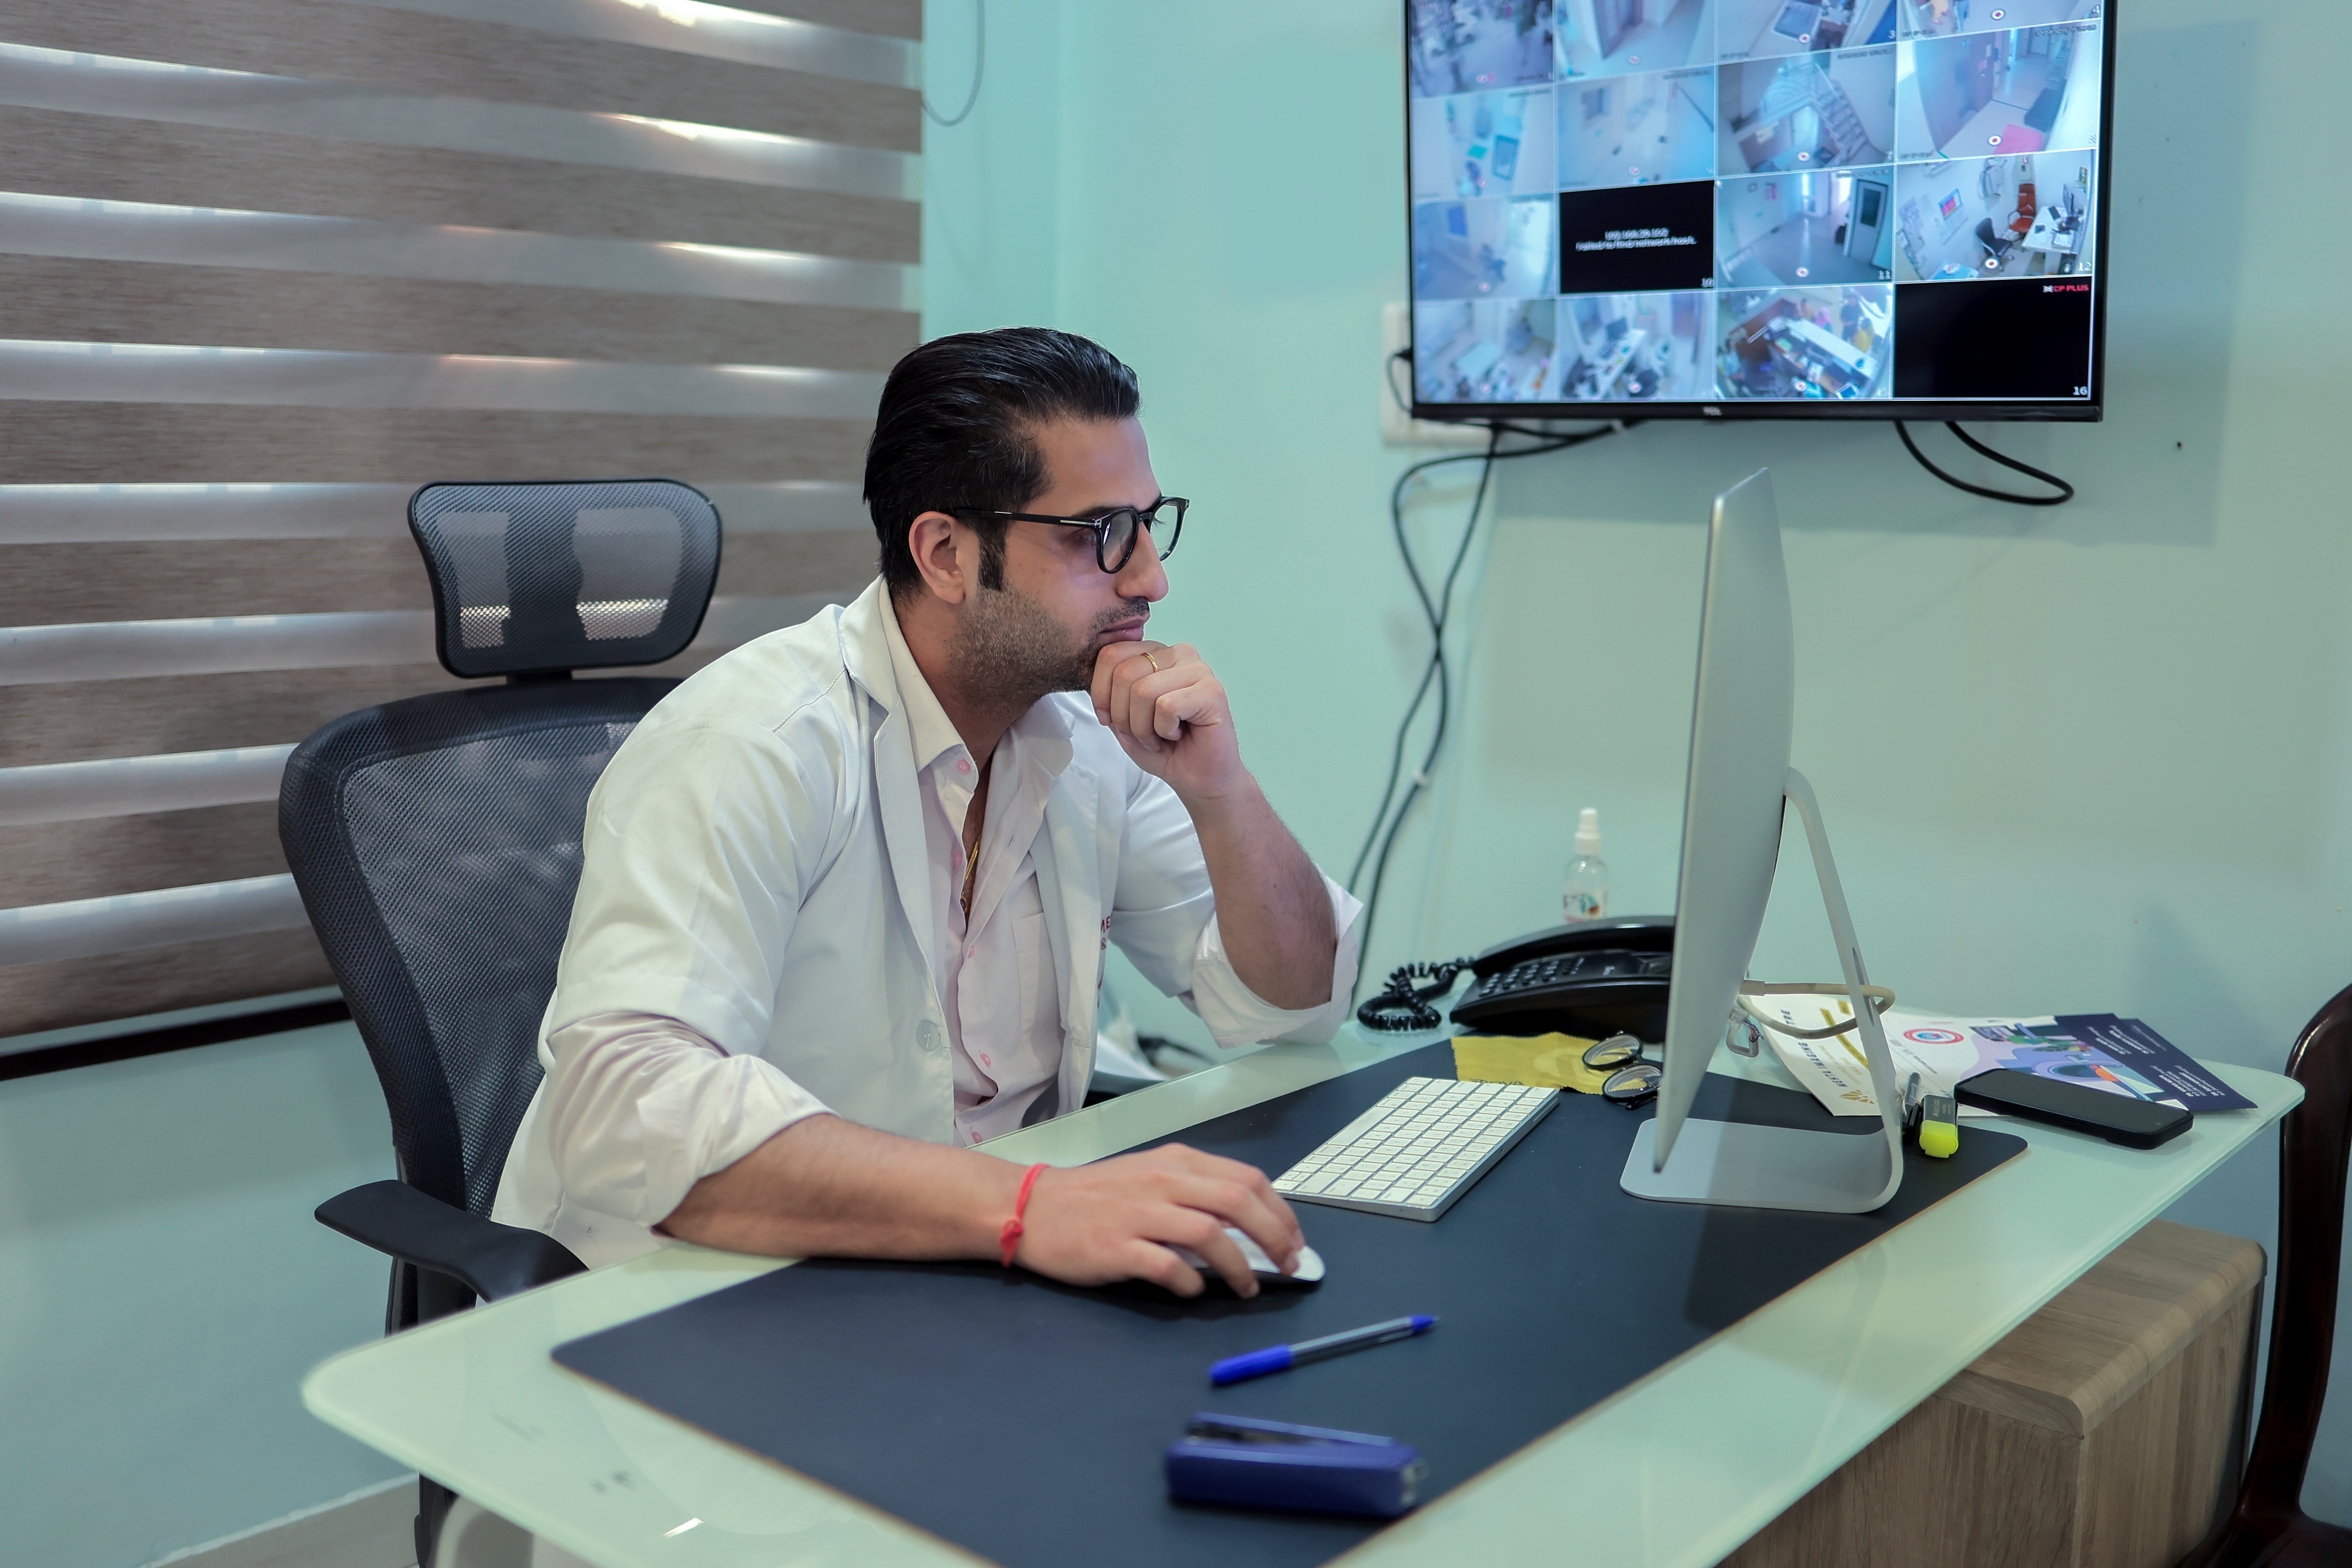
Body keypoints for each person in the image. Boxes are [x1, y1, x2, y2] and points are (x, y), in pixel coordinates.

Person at [491, 327, 1364, 1298]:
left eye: (1152, 524)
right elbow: (627, 1111)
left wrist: (1223, 794)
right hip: (696, 1295)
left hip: (961, 1275)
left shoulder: (1082, 739)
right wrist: (1029, 1205)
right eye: (1099, 534)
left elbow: (1295, 1005)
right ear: (946, 553)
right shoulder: (753, 742)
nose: (1151, 577)